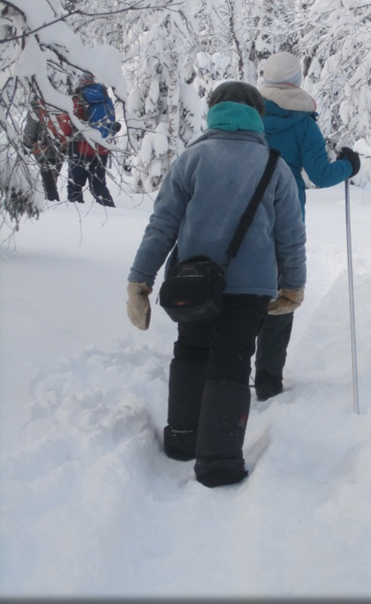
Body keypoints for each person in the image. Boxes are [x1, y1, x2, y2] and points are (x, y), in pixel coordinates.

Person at [125, 80, 306, 488]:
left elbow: (162, 226)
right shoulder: (273, 164)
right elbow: (290, 236)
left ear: (213, 112)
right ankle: (219, 460)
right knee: (233, 360)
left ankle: (184, 438)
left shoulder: (191, 160)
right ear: (257, 116)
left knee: (190, 350)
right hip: (252, 289)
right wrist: (293, 285)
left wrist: (140, 280)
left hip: (193, 281)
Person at [254, 50, 360, 402]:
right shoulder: (303, 122)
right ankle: (268, 380)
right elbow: (321, 175)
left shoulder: (248, 115)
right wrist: (349, 166)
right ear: (297, 80)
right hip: (286, 218)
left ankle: (231, 371)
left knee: (242, 290)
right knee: (283, 294)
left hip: (241, 216)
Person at [66, 74, 119, 206]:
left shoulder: (78, 99)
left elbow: (70, 123)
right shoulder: (106, 98)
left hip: (81, 147)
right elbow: (111, 121)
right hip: (102, 147)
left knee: (75, 185)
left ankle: (74, 216)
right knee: (98, 185)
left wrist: (65, 142)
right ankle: (112, 213)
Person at [22, 95, 71, 201]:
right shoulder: (58, 106)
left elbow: (30, 132)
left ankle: (52, 207)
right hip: (60, 149)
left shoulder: (35, 110)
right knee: (51, 179)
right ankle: (51, 204)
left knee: (48, 183)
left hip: (44, 149)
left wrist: (26, 146)